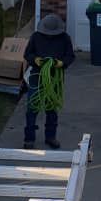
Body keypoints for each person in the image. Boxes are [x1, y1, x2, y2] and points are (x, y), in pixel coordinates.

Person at [23, 14, 75, 149]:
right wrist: (35, 60)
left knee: (51, 109)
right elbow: (27, 54)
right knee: (32, 108)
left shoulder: (65, 38)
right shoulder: (36, 36)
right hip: (36, 77)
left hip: (54, 79)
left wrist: (62, 63)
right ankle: (29, 138)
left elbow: (70, 56)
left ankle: (50, 137)